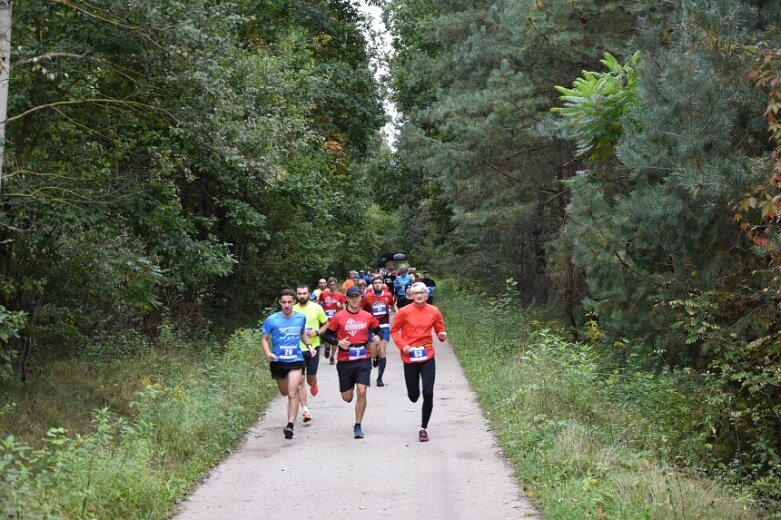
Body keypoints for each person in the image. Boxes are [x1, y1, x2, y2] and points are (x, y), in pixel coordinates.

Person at [390, 282, 447, 443]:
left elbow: (440, 330)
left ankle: (424, 428)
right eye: (416, 293)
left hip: (427, 355)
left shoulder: (434, 311)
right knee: (414, 396)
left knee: (428, 392)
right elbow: (394, 331)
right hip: (410, 356)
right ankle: (413, 394)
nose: (420, 295)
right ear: (411, 295)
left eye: (422, 292)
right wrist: (403, 346)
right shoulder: (404, 312)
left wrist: (442, 336)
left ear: (427, 295)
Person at [322, 285, 382, 439]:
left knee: (362, 390)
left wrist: (377, 337)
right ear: (347, 299)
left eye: (357, 296)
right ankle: (348, 389)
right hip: (345, 360)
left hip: (363, 357)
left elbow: (378, 329)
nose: (355, 299)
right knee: (347, 397)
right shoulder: (339, 317)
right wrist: (338, 342)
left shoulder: (367, 316)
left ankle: (358, 425)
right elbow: (327, 335)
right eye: (352, 297)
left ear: (361, 298)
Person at [261, 288, 317, 440]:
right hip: (278, 361)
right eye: (283, 302)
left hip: (296, 360)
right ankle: (291, 418)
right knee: (284, 392)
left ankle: (290, 425)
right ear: (279, 302)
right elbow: (264, 339)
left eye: (289, 302)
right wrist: (268, 353)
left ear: (294, 302)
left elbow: (302, 333)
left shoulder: (300, 318)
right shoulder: (272, 320)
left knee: (293, 392)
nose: (286, 305)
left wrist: (310, 345)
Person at [293, 284, 329, 422]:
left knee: (309, 379)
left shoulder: (317, 308)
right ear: (296, 294)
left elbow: (326, 323)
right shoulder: (292, 309)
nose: (302, 296)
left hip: (313, 348)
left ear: (309, 294)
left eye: (304, 293)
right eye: (299, 293)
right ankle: (306, 411)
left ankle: (314, 383)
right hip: (298, 349)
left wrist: (317, 332)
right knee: (300, 380)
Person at [363, 275, 396, 387]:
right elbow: (361, 309)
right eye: (375, 283)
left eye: (379, 282)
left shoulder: (388, 295)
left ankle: (379, 378)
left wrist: (396, 311)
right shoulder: (367, 296)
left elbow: (392, 305)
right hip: (371, 326)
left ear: (382, 284)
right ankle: (375, 357)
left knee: (382, 350)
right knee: (373, 352)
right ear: (372, 285)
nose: (377, 284)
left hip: (384, 326)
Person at [318, 277, 346, 364]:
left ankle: (332, 357)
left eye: (334, 285)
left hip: (336, 319)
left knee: (335, 339)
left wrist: (340, 306)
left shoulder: (340, 295)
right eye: (331, 284)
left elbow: (344, 308)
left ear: (336, 285)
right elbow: (319, 304)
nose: (332, 286)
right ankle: (327, 348)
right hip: (325, 319)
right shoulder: (323, 294)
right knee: (326, 336)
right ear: (328, 285)